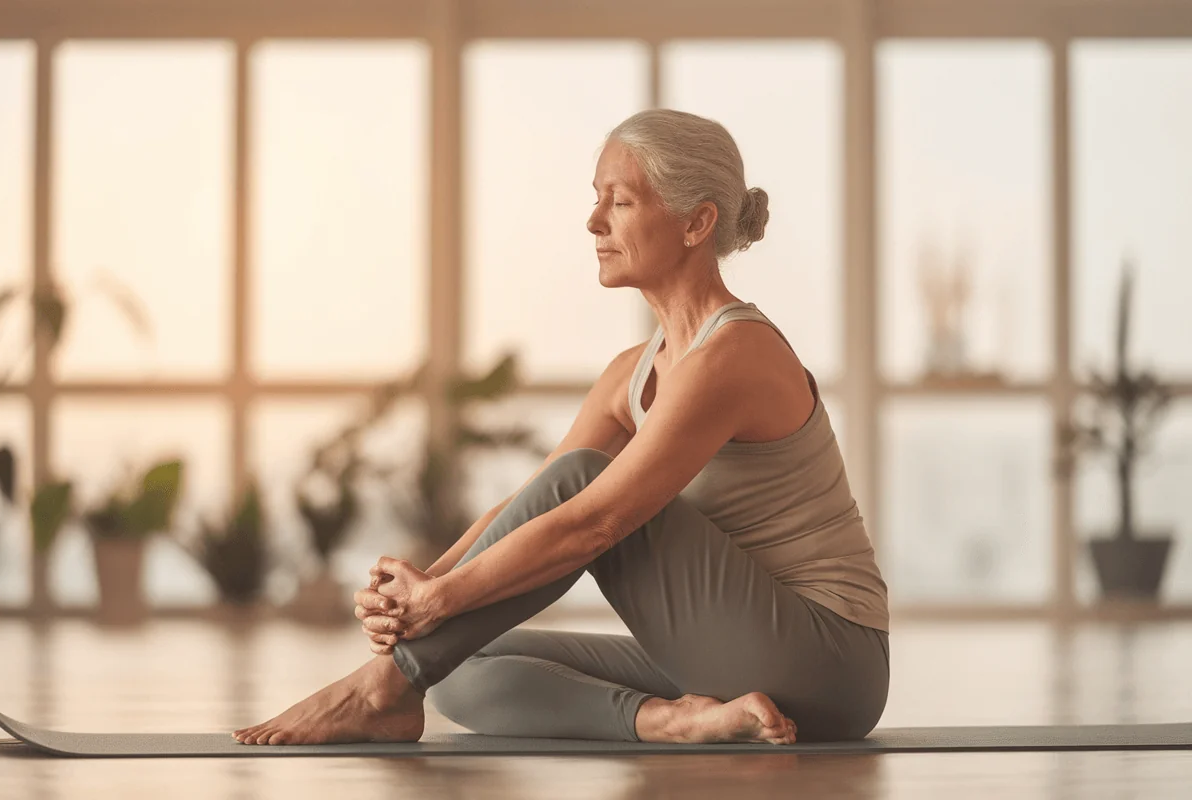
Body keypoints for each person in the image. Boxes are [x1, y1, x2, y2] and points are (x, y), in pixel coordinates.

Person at [233, 108, 889, 747]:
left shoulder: (733, 354)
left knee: (580, 487)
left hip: (827, 662)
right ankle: (667, 721)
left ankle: (377, 691)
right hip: (730, 652)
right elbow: (530, 502)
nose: (594, 220)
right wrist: (419, 591)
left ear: (697, 222)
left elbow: (592, 521)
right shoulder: (632, 372)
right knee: (457, 663)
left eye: (620, 201)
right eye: (596, 199)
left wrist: (437, 602)